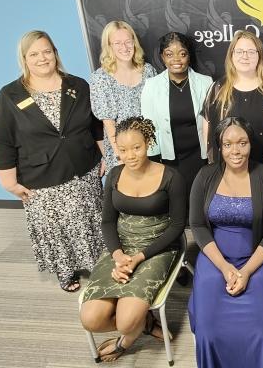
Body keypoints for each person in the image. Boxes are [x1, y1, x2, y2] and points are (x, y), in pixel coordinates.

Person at [0, 30, 104, 292]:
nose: (42, 58)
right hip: (41, 178)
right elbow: (0, 141)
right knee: (56, 228)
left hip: (82, 170)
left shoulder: (78, 85)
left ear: (55, 54)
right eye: (34, 54)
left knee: (90, 219)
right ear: (24, 58)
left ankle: (97, 262)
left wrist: (104, 154)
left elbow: (95, 124)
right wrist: (8, 182)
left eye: (47, 51)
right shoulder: (9, 96)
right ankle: (66, 270)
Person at [79, 116, 187, 362]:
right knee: (91, 319)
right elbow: (107, 222)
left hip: (157, 246)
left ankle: (128, 337)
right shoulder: (114, 175)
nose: (130, 155)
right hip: (121, 246)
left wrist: (138, 258)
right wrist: (118, 256)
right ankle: (145, 322)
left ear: (148, 143)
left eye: (136, 148)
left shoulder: (172, 177)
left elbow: (178, 226)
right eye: (123, 149)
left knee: (127, 321)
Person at [188, 117, 263, 368]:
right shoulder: (205, 176)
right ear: (219, 147)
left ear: (250, 144)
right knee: (209, 332)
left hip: (260, 258)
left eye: (242, 143)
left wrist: (246, 272)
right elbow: (198, 226)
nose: (236, 151)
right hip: (215, 258)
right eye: (228, 144)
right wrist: (224, 267)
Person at [202, 30, 263, 177]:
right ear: (231, 55)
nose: (245, 56)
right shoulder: (217, 89)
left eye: (251, 51)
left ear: (259, 55)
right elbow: (208, 127)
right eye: (239, 51)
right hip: (228, 170)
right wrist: (212, 162)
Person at [141, 31, 213, 200]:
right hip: (169, 157)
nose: (176, 60)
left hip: (199, 155)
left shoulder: (206, 82)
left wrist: (212, 154)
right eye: (169, 54)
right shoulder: (152, 86)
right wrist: (154, 161)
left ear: (189, 56)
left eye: (182, 54)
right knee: (177, 201)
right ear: (162, 57)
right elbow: (148, 126)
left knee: (201, 200)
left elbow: (212, 121)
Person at [90, 20, 157, 172]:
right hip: (122, 153)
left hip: (150, 148)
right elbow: (108, 124)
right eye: (118, 43)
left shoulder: (148, 71)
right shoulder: (101, 78)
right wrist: (121, 155)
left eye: (128, 42)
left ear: (134, 42)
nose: (124, 48)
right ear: (109, 46)